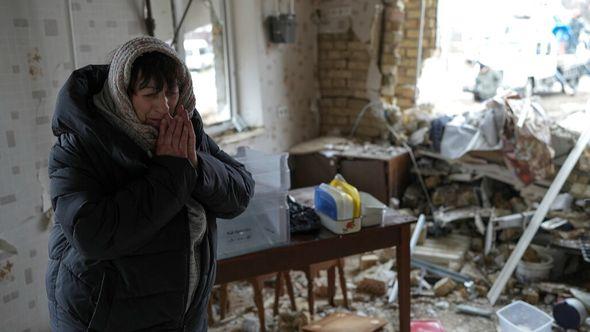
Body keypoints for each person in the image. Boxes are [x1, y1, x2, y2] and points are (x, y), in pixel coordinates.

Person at [46, 36, 254, 331]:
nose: (164, 106)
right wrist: (172, 172)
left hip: (181, 314)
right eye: (149, 94)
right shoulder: (80, 144)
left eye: (171, 92)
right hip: (107, 316)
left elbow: (241, 191)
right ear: (122, 93)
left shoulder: (184, 129)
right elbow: (92, 233)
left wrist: (195, 164)